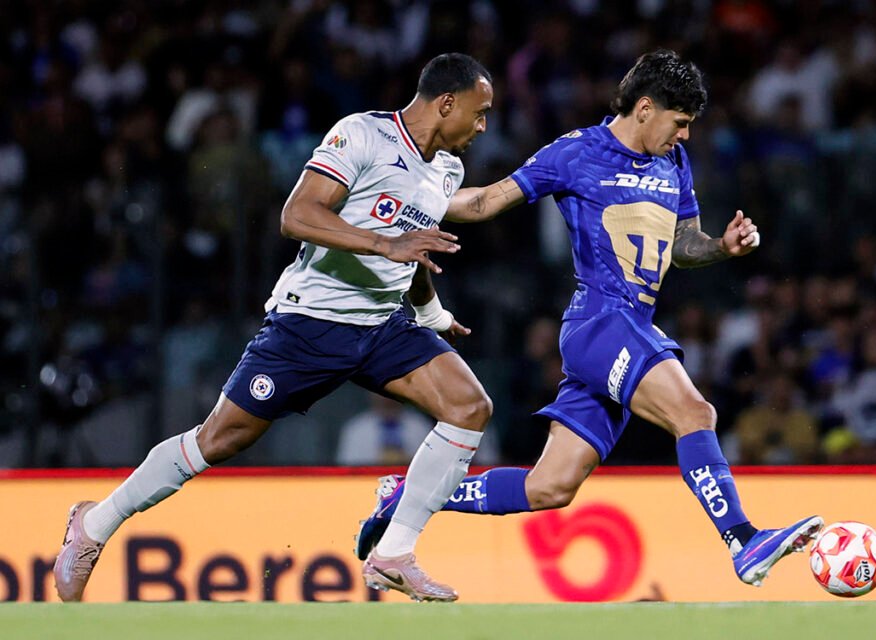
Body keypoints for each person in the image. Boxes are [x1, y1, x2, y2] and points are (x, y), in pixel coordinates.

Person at [357, 50, 823, 590]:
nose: (686, 136)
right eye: (680, 122)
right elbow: (485, 202)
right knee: (695, 412)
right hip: (600, 323)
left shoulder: (673, 161)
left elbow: (682, 244)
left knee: (549, 488)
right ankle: (744, 540)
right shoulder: (577, 152)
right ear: (644, 108)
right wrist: (398, 201)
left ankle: (404, 496)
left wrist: (721, 246)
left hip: (629, 329)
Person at [54, 53, 496, 603]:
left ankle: (393, 554)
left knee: (469, 406)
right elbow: (297, 215)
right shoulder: (363, 134)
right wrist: (385, 244)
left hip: (382, 323)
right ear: (447, 103)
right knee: (218, 439)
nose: (482, 126)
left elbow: (415, 252)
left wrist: (431, 315)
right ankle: (93, 524)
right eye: (479, 113)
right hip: (310, 323)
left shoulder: (447, 170)